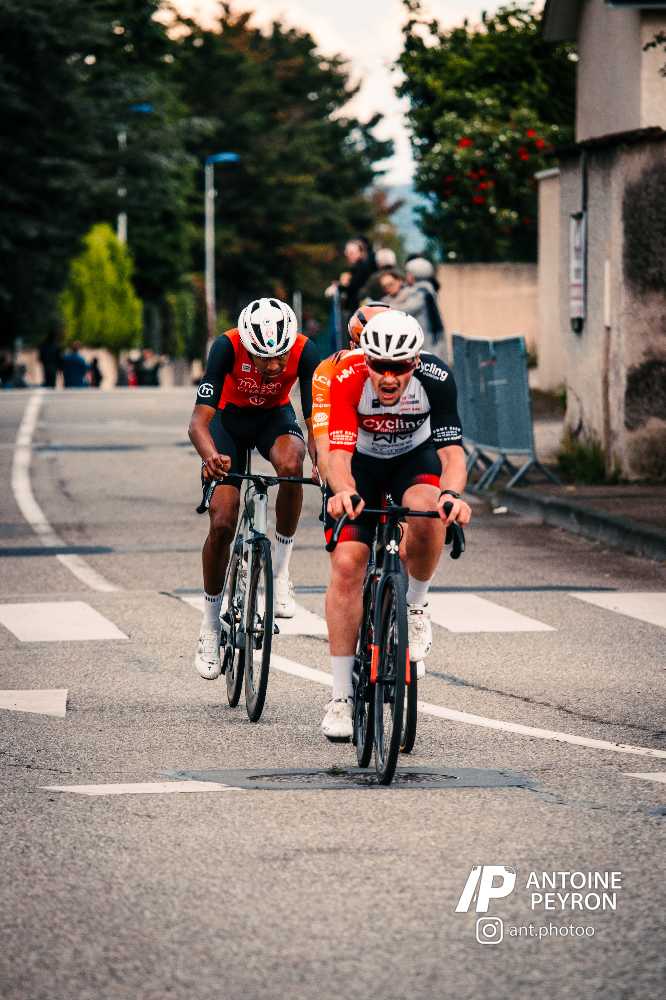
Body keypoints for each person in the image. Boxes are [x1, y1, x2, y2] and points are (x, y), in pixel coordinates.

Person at [321, 310, 471, 740]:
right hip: (361, 466)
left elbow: (452, 454)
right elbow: (338, 454)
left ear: (415, 361)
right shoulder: (347, 377)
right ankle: (340, 697)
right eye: (380, 366)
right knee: (348, 563)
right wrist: (343, 491)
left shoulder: (436, 378)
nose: (388, 378)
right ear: (365, 359)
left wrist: (451, 495)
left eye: (400, 367)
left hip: (412, 461)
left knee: (428, 510)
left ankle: (416, 606)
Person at [188, 297, 319, 681]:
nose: (275, 366)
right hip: (227, 424)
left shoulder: (305, 351)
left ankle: (280, 572)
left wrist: (323, 463)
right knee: (223, 522)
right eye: (265, 358)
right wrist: (211, 457)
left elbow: (316, 422)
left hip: (273, 419)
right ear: (248, 346)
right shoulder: (226, 346)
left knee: (292, 467)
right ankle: (210, 624)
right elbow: (198, 423)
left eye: (280, 356)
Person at [311, 301, 391, 482]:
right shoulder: (330, 369)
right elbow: (325, 440)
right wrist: (329, 481)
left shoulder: (413, 370)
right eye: (367, 350)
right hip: (348, 442)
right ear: (352, 346)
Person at [379, 267, 445, 354]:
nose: (388, 288)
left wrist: (382, 308)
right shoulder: (384, 301)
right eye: (384, 287)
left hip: (422, 343)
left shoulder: (414, 294)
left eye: (390, 284)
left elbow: (407, 309)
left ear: (399, 281)